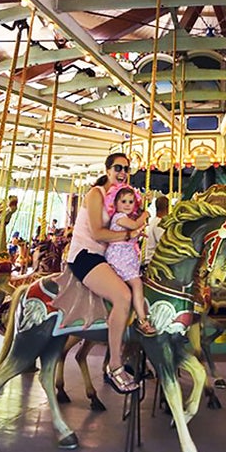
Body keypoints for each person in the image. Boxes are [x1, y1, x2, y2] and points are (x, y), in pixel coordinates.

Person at [65, 152, 145, 393]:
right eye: (118, 168)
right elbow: (99, 233)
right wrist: (129, 235)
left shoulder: (118, 199)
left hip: (106, 257)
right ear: (108, 169)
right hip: (86, 255)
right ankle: (114, 365)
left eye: (126, 169)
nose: (122, 173)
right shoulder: (96, 194)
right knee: (123, 296)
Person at [104, 184, 155, 336]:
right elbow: (135, 224)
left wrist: (138, 235)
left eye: (131, 202)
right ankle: (142, 320)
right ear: (116, 204)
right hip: (118, 258)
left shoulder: (125, 218)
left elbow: (133, 231)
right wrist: (146, 214)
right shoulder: (119, 217)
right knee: (137, 284)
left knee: (139, 283)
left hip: (127, 257)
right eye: (124, 201)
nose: (127, 205)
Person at [144, 195, 169, 266]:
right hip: (154, 260)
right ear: (167, 208)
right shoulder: (159, 223)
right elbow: (164, 242)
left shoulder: (154, 221)